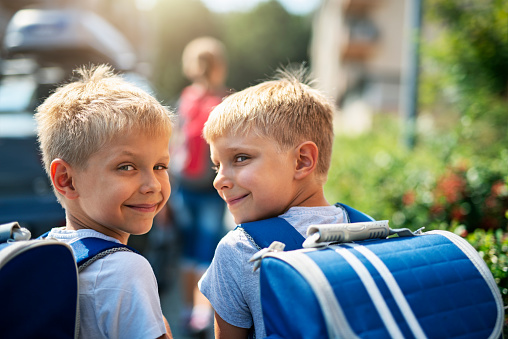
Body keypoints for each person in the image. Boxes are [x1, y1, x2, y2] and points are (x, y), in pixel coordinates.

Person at [198, 66, 346, 339]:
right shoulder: (368, 229)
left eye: (240, 158)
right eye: (216, 166)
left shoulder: (240, 250)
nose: (219, 181)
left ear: (302, 161)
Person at [35, 64, 174, 339]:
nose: (153, 185)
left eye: (160, 166)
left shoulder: (42, 252)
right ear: (66, 179)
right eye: (126, 167)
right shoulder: (125, 271)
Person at [170, 36, 229, 335]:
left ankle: (189, 311)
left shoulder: (188, 97)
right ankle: (199, 314)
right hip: (206, 187)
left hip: (187, 185)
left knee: (189, 251)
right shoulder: (222, 101)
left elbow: (176, 143)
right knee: (204, 250)